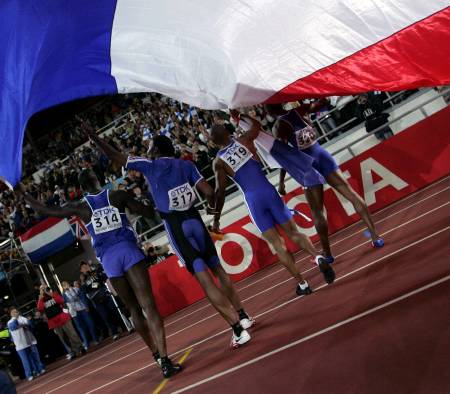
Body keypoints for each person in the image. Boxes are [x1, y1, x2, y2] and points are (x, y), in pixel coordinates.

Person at [89, 132, 253, 349]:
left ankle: (238, 330)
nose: (147, 150)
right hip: (195, 220)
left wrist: (96, 139)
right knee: (219, 271)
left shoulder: (150, 165)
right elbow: (209, 192)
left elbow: (116, 156)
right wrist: (213, 216)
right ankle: (243, 316)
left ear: (156, 150)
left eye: (149, 147)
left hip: (176, 226)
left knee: (204, 279)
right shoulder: (185, 165)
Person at [18, 173, 181, 378]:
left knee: (133, 309)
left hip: (109, 259)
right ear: (96, 179)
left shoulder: (81, 206)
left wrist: (23, 193)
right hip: (128, 249)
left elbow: (45, 209)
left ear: (81, 188)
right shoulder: (116, 196)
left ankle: (157, 356)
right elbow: (146, 212)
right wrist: (148, 200)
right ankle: (165, 358)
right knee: (148, 304)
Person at [210, 112, 335, 296]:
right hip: (269, 192)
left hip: (253, 200)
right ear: (228, 133)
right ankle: (317, 257)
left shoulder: (218, 162)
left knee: (278, 245)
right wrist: (241, 115)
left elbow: (220, 191)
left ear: (213, 143)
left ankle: (303, 284)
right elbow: (256, 125)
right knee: (294, 233)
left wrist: (216, 219)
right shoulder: (244, 140)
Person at [266, 103, 385, 262]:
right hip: (322, 154)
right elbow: (323, 104)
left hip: (307, 164)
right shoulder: (300, 110)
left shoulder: (279, 126)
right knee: (351, 194)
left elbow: (285, 156)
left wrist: (281, 182)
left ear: (269, 112)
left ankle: (328, 254)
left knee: (317, 211)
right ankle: (375, 236)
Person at [36, 285, 84, 360]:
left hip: (62, 317)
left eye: (44, 288)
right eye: (42, 289)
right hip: (53, 321)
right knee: (63, 338)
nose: (44, 289)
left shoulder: (53, 293)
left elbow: (61, 300)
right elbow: (40, 308)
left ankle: (80, 347)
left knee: (72, 333)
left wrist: (51, 294)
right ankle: (72, 351)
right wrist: (40, 297)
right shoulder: (41, 299)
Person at [78, 261, 121, 341]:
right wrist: (85, 283)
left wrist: (94, 285)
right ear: (81, 271)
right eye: (83, 268)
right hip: (97, 301)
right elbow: (85, 291)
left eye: (86, 266)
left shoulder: (95, 271)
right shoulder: (83, 280)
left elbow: (103, 279)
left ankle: (125, 326)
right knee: (106, 316)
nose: (85, 268)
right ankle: (115, 332)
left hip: (105, 295)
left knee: (115, 310)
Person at [7, 307, 45, 381]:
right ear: (11, 314)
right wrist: (16, 319)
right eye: (13, 312)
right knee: (25, 361)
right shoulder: (9, 322)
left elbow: (30, 325)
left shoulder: (22, 318)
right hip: (20, 345)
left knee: (34, 357)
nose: (15, 313)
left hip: (28, 342)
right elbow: (13, 327)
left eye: (16, 311)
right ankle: (29, 374)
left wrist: (28, 323)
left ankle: (39, 370)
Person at [62, 281, 99, 351]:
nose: (66, 286)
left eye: (66, 284)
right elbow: (67, 303)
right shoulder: (64, 294)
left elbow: (83, 297)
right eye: (64, 285)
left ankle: (95, 339)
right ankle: (86, 343)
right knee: (81, 329)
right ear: (63, 287)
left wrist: (86, 306)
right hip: (75, 313)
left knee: (91, 324)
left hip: (83, 309)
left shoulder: (76, 289)